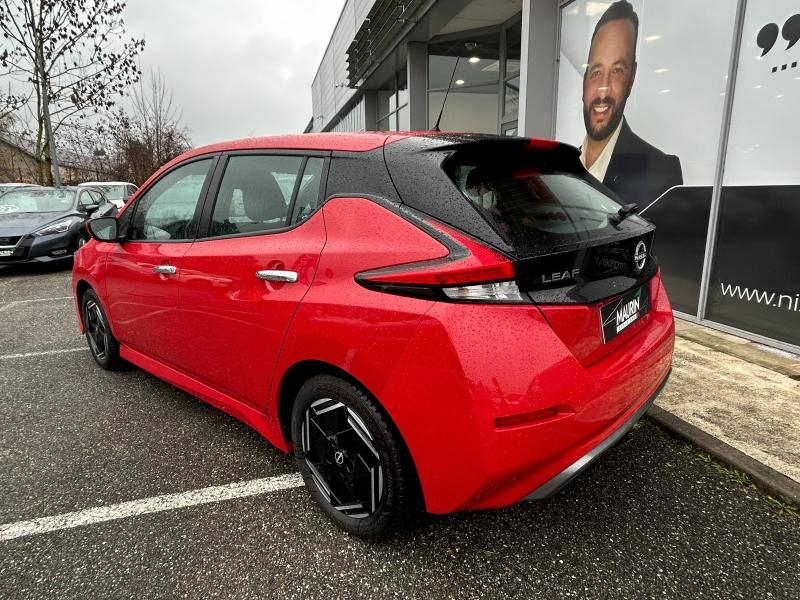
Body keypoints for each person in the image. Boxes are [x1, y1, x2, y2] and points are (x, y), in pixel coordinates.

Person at [581, 0, 683, 206]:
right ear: (584, 80)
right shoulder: (560, 167)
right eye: (596, 72)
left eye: (617, 71)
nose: (604, 89)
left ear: (631, 78)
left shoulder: (661, 172)